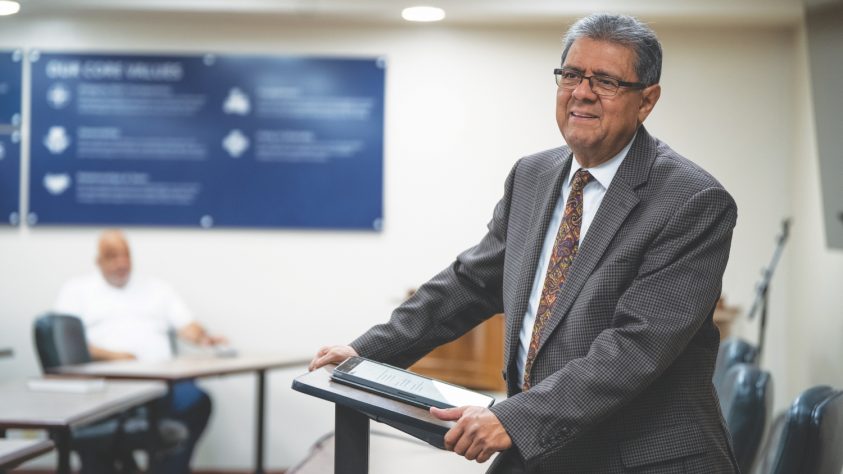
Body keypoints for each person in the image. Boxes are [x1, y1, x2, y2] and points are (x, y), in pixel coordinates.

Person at [310, 13, 739, 473]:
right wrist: (369, 352)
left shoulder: (692, 201)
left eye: (607, 81)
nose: (582, 92)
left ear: (647, 100)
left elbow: (635, 348)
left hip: (641, 459)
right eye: (572, 75)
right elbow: (472, 283)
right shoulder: (532, 177)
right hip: (546, 447)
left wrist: (513, 420)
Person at [54, 229, 225, 474]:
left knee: (198, 401)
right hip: (105, 389)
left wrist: (203, 337)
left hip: (160, 386)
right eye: (112, 256)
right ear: (98, 261)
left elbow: (187, 325)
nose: (121, 263)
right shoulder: (77, 290)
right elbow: (67, 345)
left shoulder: (157, 289)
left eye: (126, 255)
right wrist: (118, 357)